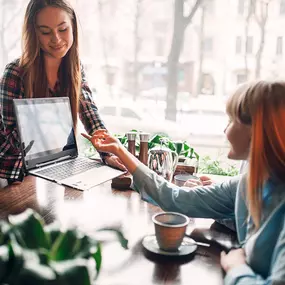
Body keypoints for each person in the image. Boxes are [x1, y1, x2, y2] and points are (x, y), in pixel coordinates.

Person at [83, 80, 285, 284]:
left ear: (257, 132)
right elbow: (174, 198)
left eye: (232, 121)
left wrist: (237, 269)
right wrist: (120, 150)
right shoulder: (247, 183)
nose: (225, 130)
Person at [0, 0, 125, 186]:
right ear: (34, 33)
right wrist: (41, 115)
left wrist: (107, 153)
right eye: (45, 32)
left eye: (63, 29)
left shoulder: (74, 68)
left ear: (73, 26)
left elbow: (89, 112)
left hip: (54, 168)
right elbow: (11, 142)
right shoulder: (15, 73)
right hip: (12, 175)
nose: (56, 39)